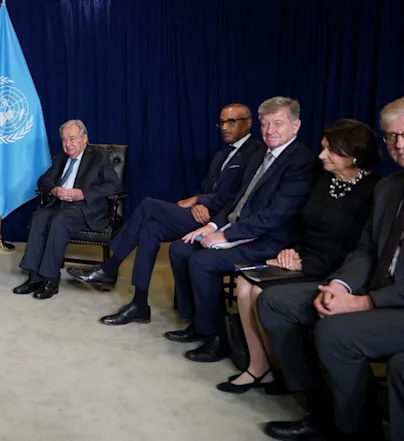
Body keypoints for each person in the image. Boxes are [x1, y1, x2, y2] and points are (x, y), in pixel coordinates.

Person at [257, 97, 404, 441]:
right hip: (364, 284)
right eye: (391, 136)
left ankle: (354, 428)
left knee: (332, 332)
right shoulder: (390, 188)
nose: (399, 145)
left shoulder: (371, 187)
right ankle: (320, 408)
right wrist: (340, 284)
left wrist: (363, 303)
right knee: (273, 302)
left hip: (394, 303)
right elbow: (366, 248)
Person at [217, 119, 379, 394]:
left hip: (333, 270)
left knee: (258, 293)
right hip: (302, 259)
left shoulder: (373, 191)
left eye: (329, 150)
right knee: (245, 283)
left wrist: (304, 263)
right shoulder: (325, 181)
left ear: (353, 154)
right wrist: (291, 250)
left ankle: (284, 371)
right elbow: (302, 225)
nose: (321, 155)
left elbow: (357, 249)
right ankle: (260, 367)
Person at [70, 103, 264, 324]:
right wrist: (198, 202)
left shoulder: (255, 153)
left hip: (221, 221)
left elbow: (239, 196)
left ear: (247, 123)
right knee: (149, 230)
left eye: (231, 121)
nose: (224, 127)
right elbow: (206, 188)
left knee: (148, 205)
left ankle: (111, 267)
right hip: (200, 214)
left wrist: (202, 202)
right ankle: (139, 304)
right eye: (221, 122)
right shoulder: (221, 155)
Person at [165, 96, 316, 362]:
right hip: (239, 227)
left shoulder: (300, 162)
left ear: (296, 125)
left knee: (202, 262)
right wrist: (212, 225)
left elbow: (275, 216)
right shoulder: (260, 155)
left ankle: (216, 337)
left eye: (278, 124)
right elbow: (238, 201)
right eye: (265, 124)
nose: (270, 131)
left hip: (269, 240)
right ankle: (198, 323)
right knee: (180, 248)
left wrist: (224, 235)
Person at [12, 119, 122, 300]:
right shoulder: (60, 158)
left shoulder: (99, 157)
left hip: (83, 207)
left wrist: (83, 194)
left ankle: (50, 280)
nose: (68, 144)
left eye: (72, 139)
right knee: (39, 217)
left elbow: (114, 186)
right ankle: (34, 277)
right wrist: (54, 190)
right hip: (59, 203)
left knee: (59, 220)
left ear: (84, 138)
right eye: (64, 140)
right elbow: (43, 180)